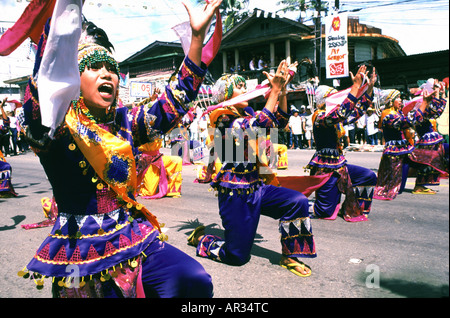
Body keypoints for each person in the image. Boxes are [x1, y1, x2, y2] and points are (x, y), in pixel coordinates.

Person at [17, 0, 222, 298]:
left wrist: (197, 37)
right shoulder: (58, 127)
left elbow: (175, 99)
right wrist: (56, 37)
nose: (106, 74)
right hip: (80, 249)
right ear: (73, 78)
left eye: (111, 68)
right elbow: (36, 113)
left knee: (193, 280)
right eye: (92, 67)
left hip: (132, 234)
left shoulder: (127, 122)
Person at [188, 60, 316, 278]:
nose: (244, 89)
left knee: (297, 202)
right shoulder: (222, 118)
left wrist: (282, 92)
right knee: (236, 256)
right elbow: (258, 126)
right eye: (238, 86)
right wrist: (274, 91)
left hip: (257, 186)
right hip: (235, 194)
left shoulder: (245, 113)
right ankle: (201, 239)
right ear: (225, 94)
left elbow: (279, 120)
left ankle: (290, 255)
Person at [306, 65, 378, 222]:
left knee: (368, 176)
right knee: (325, 212)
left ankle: (352, 207)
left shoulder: (336, 118)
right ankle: (306, 204)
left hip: (340, 165)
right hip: (325, 168)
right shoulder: (320, 117)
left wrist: (369, 89)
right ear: (323, 101)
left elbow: (357, 111)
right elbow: (342, 112)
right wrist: (356, 86)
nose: (338, 101)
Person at [374, 84, 448, 199]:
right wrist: (424, 103)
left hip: (406, 153)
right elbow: (410, 121)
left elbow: (433, 113)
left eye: (400, 97)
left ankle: (420, 184)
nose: (400, 100)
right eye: (397, 98)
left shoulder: (398, 113)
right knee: (397, 189)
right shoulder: (388, 116)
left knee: (430, 157)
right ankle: (390, 179)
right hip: (395, 156)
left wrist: (439, 95)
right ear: (389, 101)